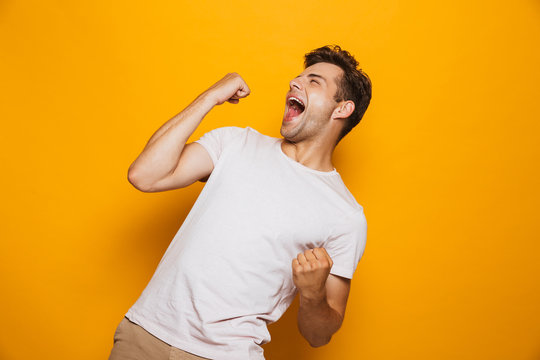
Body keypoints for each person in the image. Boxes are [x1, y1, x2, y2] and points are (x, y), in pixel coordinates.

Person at [108, 44, 372, 360]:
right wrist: (210, 98)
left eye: (314, 81)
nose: (294, 82)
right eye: (298, 76)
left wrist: (314, 294)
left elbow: (318, 336)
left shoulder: (345, 215)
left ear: (341, 109)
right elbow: (144, 176)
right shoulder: (235, 143)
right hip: (143, 336)